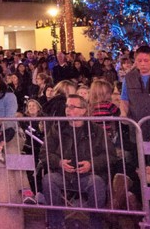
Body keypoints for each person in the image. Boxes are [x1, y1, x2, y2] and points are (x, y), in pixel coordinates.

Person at [40, 94, 116, 229]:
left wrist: (92, 164)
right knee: (48, 180)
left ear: (83, 110)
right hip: (63, 175)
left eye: (72, 107)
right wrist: (58, 162)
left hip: (88, 176)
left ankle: (96, 224)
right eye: (67, 106)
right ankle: (56, 224)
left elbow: (110, 155)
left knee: (96, 182)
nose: (68, 110)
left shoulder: (97, 131)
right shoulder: (57, 128)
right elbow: (44, 153)